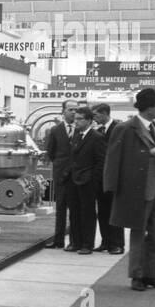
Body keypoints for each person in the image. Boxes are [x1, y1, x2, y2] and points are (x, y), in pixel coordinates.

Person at [103, 87, 155, 292]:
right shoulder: (125, 128)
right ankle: (136, 276)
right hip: (137, 188)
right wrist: (111, 188)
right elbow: (114, 158)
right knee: (138, 233)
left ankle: (151, 275)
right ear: (148, 107)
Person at [67, 106, 106, 254]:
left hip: (87, 181)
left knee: (87, 213)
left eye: (80, 119)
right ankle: (75, 242)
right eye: (75, 118)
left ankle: (87, 244)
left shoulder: (97, 137)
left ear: (89, 120)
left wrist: (93, 179)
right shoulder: (77, 135)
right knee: (74, 212)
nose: (76, 121)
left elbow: (101, 161)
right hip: (74, 180)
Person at [43, 99, 78, 249]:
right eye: (71, 109)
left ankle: (74, 241)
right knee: (61, 209)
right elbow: (51, 152)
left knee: (75, 209)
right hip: (60, 175)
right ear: (63, 111)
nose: (74, 112)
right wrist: (60, 165)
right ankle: (58, 240)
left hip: (77, 175)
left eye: (76, 109)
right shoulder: (55, 130)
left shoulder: (81, 130)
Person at [91, 102, 125, 254]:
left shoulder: (119, 129)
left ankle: (117, 244)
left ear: (105, 113)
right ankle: (105, 242)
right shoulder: (98, 131)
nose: (94, 118)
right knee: (103, 211)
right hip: (100, 178)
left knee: (115, 212)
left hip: (114, 177)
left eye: (96, 115)